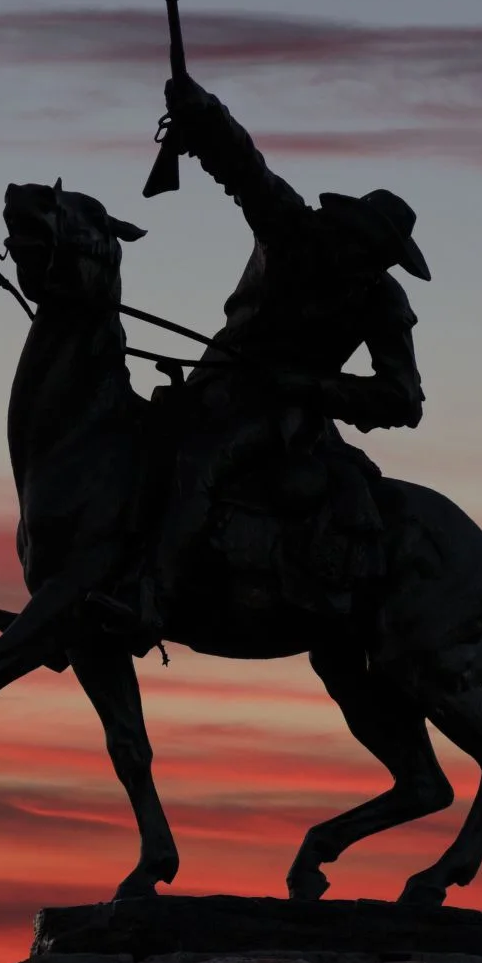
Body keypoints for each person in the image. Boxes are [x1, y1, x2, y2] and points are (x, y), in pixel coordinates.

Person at [98, 74, 431, 644]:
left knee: (199, 466)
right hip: (214, 387)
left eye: (381, 257)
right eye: (365, 246)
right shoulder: (291, 230)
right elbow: (244, 167)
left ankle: (150, 598)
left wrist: (310, 387)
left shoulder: (382, 300)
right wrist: (201, 114)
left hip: (286, 421)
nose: (368, 262)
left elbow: (403, 399)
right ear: (348, 229)